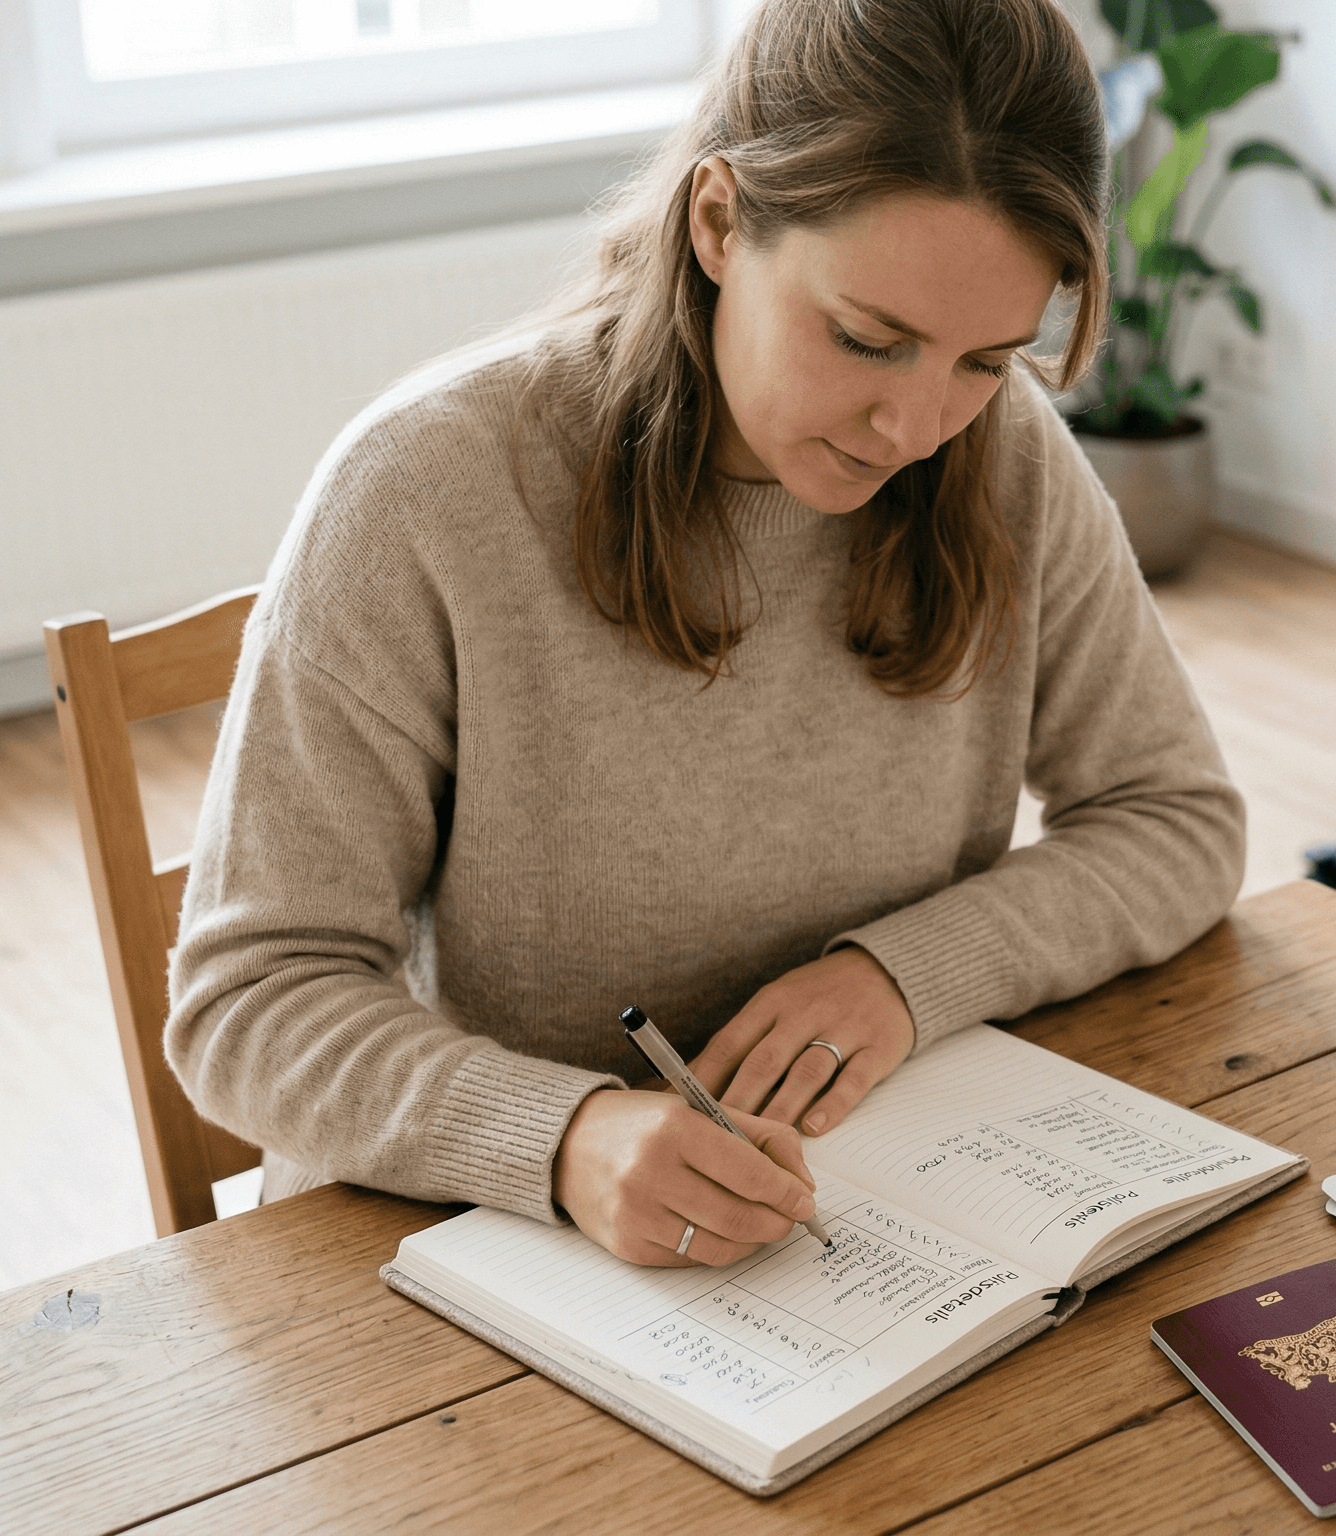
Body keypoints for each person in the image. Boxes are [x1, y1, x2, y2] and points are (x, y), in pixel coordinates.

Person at [166, 0, 1244, 1270]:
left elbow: (1175, 819)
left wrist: (902, 978)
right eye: (868, 339)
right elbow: (251, 1000)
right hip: (468, 1242)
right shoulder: (424, 488)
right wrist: (563, 1138)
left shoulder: (1004, 459)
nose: (914, 429)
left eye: (985, 361)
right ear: (720, 221)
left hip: (863, 1206)